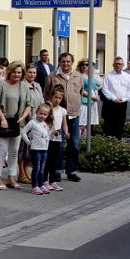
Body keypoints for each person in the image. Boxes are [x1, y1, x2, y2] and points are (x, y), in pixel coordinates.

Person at [0, 61, 31, 190]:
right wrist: (2, 119)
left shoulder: (24, 86)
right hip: (2, 121)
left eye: (19, 72)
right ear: (9, 71)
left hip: (17, 123)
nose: (16, 74)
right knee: (1, 152)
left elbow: (28, 105)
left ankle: (11, 178)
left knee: (14, 152)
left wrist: (23, 117)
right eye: (14, 72)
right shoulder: (1, 85)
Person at [43, 52, 83, 182]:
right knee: (57, 145)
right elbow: (47, 94)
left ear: (72, 62)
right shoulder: (53, 76)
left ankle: (72, 170)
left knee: (74, 144)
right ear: (59, 62)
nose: (66, 64)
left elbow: (80, 92)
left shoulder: (78, 76)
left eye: (68, 61)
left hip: (73, 114)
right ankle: (57, 171)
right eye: (63, 61)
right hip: (57, 115)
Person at [17, 64, 43, 184]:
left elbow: (41, 103)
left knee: (29, 150)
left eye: (34, 72)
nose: (32, 74)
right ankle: (21, 173)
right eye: (30, 72)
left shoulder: (37, 86)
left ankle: (27, 173)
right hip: (24, 122)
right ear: (25, 73)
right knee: (22, 150)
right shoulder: (22, 85)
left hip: (36, 121)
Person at [21, 103, 54, 195]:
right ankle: (34, 186)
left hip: (44, 149)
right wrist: (28, 142)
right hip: (35, 149)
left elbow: (46, 135)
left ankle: (41, 184)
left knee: (42, 168)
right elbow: (23, 132)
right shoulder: (32, 122)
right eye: (41, 113)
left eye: (45, 114)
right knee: (37, 167)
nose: (42, 116)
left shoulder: (44, 124)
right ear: (37, 112)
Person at [101, 56, 130, 140]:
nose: (118, 65)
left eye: (120, 64)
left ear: (123, 65)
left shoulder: (127, 76)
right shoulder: (108, 75)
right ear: (113, 65)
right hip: (111, 103)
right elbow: (105, 89)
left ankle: (118, 139)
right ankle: (109, 140)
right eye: (116, 64)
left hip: (122, 103)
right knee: (109, 122)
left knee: (120, 122)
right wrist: (114, 98)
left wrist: (124, 99)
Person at [43, 85, 68, 192]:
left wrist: (66, 132)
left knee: (54, 160)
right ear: (51, 97)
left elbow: (64, 124)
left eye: (59, 98)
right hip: (47, 137)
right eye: (55, 97)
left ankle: (52, 181)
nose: (57, 100)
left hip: (57, 138)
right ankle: (44, 181)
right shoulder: (47, 108)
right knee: (47, 160)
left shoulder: (62, 110)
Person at [77, 59, 100, 138]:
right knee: (81, 123)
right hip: (84, 100)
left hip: (92, 101)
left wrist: (96, 95)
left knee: (88, 124)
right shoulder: (78, 76)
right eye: (83, 65)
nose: (85, 66)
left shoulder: (91, 76)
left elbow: (95, 87)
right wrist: (91, 96)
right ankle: (79, 139)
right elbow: (80, 90)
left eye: (87, 65)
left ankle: (85, 140)